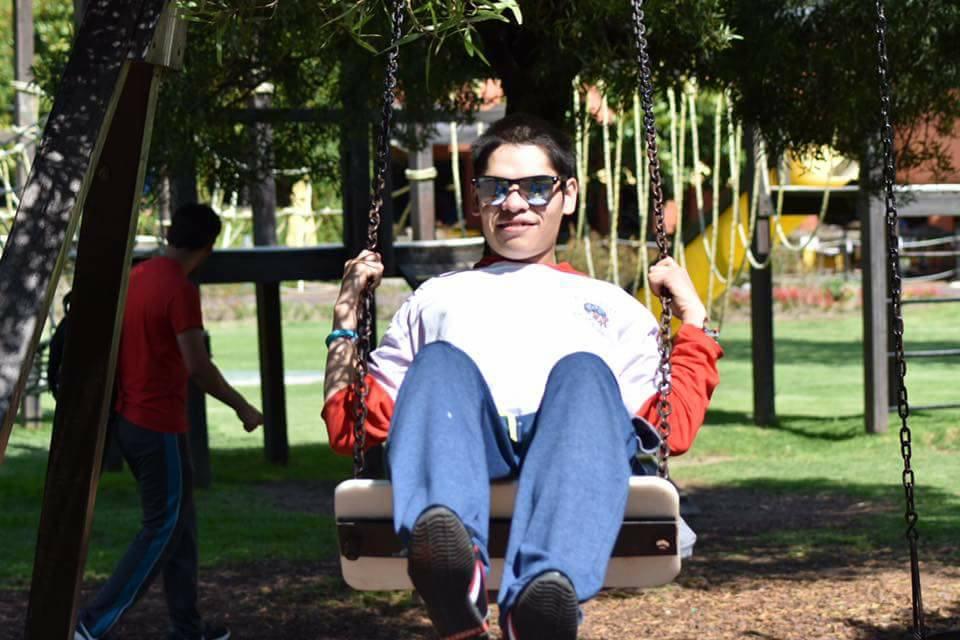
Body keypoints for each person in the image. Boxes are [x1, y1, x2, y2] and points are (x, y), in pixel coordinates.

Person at [322, 114, 722, 640]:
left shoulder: (612, 305)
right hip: (464, 446)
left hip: (572, 451)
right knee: (439, 363)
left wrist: (691, 317)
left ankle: (540, 596)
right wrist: (347, 315)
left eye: (536, 188)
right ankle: (450, 566)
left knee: (584, 373)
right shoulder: (436, 297)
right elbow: (350, 426)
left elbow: (671, 427)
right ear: (476, 197)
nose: (513, 204)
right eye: (495, 188)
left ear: (569, 194)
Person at [75, 203, 264, 640]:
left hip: (130, 421)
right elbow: (197, 366)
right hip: (157, 424)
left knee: (181, 529)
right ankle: (92, 623)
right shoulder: (180, 290)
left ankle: (187, 627)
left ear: (170, 233)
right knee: (161, 528)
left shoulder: (136, 278)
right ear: (208, 247)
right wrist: (242, 407)